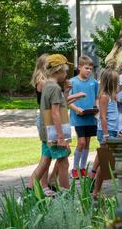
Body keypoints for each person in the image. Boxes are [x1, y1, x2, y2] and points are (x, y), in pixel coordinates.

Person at [27, 54, 72, 191]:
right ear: (58, 70)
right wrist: (60, 137)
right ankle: (66, 197)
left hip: (47, 132)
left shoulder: (48, 85)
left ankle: (28, 194)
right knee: (63, 163)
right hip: (54, 133)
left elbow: (58, 105)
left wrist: (66, 91)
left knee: (44, 162)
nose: (66, 73)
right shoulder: (54, 87)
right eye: (64, 70)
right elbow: (55, 113)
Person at [91, 68, 120, 199]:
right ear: (111, 82)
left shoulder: (113, 96)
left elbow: (113, 116)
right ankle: (96, 191)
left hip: (112, 131)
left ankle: (96, 188)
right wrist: (107, 135)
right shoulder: (104, 97)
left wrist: (116, 132)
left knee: (106, 163)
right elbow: (103, 117)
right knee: (104, 163)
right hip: (105, 132)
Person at [69, 56, 99, 179]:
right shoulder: (72, 82)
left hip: (90, 117)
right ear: (79, 67)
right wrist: (77, 109)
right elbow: (68, 101)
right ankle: (74, 168)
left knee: (87, 143)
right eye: (86, 68)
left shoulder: (94, 82)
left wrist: (96, 107)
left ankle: (82, 168)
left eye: (91, 69)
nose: (88, 71)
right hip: (78, 117)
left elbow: (96, 97)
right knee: (81, 142)